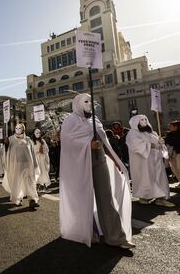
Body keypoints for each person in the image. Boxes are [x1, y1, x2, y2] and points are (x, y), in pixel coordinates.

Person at [60, 94, 134, 249]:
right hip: (80, 164)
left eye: (90, 102)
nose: (89, 104)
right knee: (83, 199)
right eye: (85, 102)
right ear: (78, 104)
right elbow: (67, 141)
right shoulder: (70, 121)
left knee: (106, 198)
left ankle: (116, 237)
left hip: (99, 161)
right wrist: (87, 144)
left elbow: (105, 142)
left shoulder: (95, 120)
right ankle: (88, 232)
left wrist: (115, 160)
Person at [126, 115, 175, 207]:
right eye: (142, 120)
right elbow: (136, 146)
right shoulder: (132, 133)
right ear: (136, 122)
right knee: (146, 178)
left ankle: (161, 198)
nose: (144, 121)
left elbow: (159, 145)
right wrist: (152, 145)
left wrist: (161, 143)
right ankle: (145, 196)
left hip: (156, 161)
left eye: (145, 119)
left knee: (159, 178)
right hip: (143, 162)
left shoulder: (152, 133)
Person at [3, 123, 40, 210]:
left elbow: (32, 153)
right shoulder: (11, 139)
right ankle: (18, 198)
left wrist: (35, 164)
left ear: (24, 129)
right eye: (17, 128)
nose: (18, 129)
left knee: (30, 182)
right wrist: (6, 144)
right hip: (16, 166)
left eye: (20, 128)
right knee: (17, 183)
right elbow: (7, 152)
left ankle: (32, 200)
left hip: (28, 165)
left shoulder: (28, 140)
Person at [166, 120, 180, 187]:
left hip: (178, 153)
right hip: (172, 154)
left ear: (176, 127)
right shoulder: (169, 134)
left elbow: (173, 142)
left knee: (179, 167)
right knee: (174, 169)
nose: (169, 127)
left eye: (170, 126)